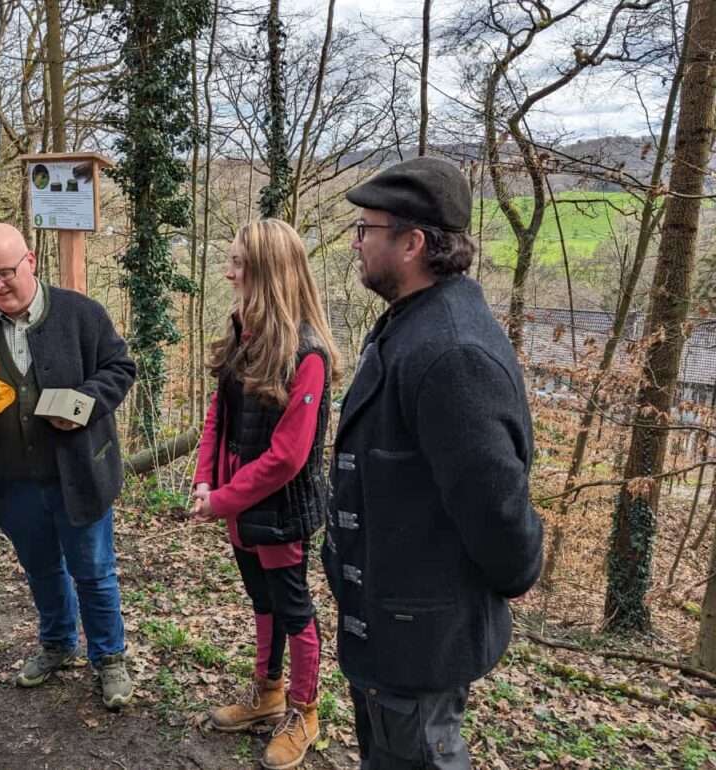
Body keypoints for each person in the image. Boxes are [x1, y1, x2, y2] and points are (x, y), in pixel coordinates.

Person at [323, 156, 544, 769]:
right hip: (389, 629)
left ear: (413, 243)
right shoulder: (411, 323)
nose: (358, 242)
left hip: (422, 639)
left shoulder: (452, 352)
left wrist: (518, 568)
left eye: (367, 228)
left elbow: (498, 512)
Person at [0, 222, 136, 709]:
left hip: (79, 475)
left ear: (31, 261)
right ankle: (58, 644)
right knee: (41, 569)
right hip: (11, 483)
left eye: (5, 273)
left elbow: (121, 368)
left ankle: (109, 659)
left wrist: (83, 403)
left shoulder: (81, 315)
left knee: (94, 571)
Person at [192, 218, 341, 770]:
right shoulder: (240, 334)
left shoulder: (308, 356)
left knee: (293, 608)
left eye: (239, 264)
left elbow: (288, 457)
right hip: (236, 507)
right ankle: (268, 693)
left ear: (269, 273)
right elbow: (219, 418)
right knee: (261, 602)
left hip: (280, 512)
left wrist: (225, 498)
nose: (228, 273)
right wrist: (206, 482)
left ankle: (305, 709)